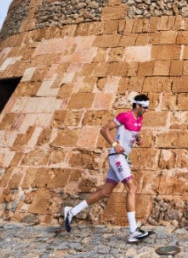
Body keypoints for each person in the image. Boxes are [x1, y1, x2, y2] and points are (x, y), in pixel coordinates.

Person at [63, 94, 152, 243]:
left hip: (123, 158)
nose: (147, 110)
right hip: (117, 157)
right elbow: (104, 130)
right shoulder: (125, 116)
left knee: (105, 192)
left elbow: (133, 134)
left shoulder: (140, 120)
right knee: (132, 187)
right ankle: (133, 231)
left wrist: (138, 139)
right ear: (137, 105)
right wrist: (115, 145)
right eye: (145, 107)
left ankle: (71, 212)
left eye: (148, 107)